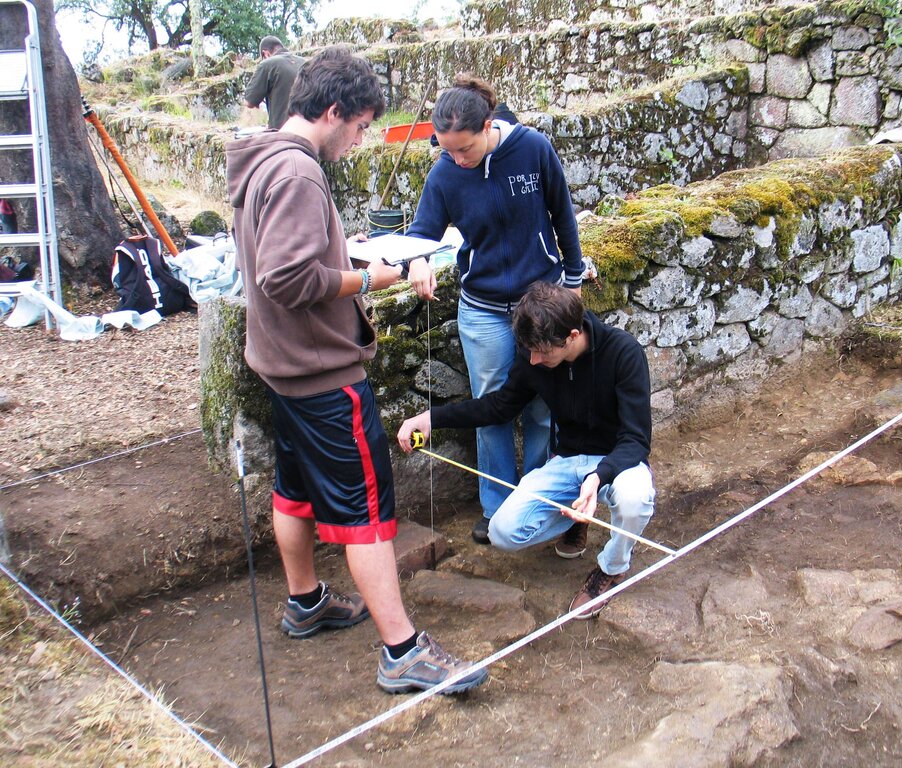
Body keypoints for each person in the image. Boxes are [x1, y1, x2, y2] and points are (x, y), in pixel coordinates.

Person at [226, 47, 487, 695]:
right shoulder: (298, 174)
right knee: (366, 509)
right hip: (321, 372)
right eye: (363, 125)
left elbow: (285, 256)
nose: (362, 139)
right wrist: (380, 273)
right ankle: (403, 652)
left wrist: (350, 251)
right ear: (335, 112)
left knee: (295, 489)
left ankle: (306, 602)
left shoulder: (261, 157)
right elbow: (286, 277)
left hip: (280, 364)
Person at [398, 282, 655, 618]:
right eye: (529, 350)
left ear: (573, 335)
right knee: (502, 532)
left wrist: (598, 477)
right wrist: (432, 417)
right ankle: (571, 521)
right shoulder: (533, 354)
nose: (533, 360)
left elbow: (636, 440)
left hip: (618, 461)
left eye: (542, 352)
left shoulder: (623, 353)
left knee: (635, 500)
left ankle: (612, 567)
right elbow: (499, 407)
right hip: (568, 459)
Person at [404, 74, 585, 547]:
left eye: (464, 149)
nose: (457, 159)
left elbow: (563, 213)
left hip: (540, 303)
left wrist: (574, 277)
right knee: (492, 411)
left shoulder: (533, 149)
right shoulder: (445, 172)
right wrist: (419, 259)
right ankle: (498, 507)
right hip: (482, 308)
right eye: (447, 150)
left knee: (545, 407)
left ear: (488, 125)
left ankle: (543, 501)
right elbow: (422, 232)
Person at [242, 36, 304, 130]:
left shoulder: (268, 64)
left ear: (265, 54)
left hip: (283, 133)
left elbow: (249, 102)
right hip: (310, 132)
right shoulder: (305, 62)